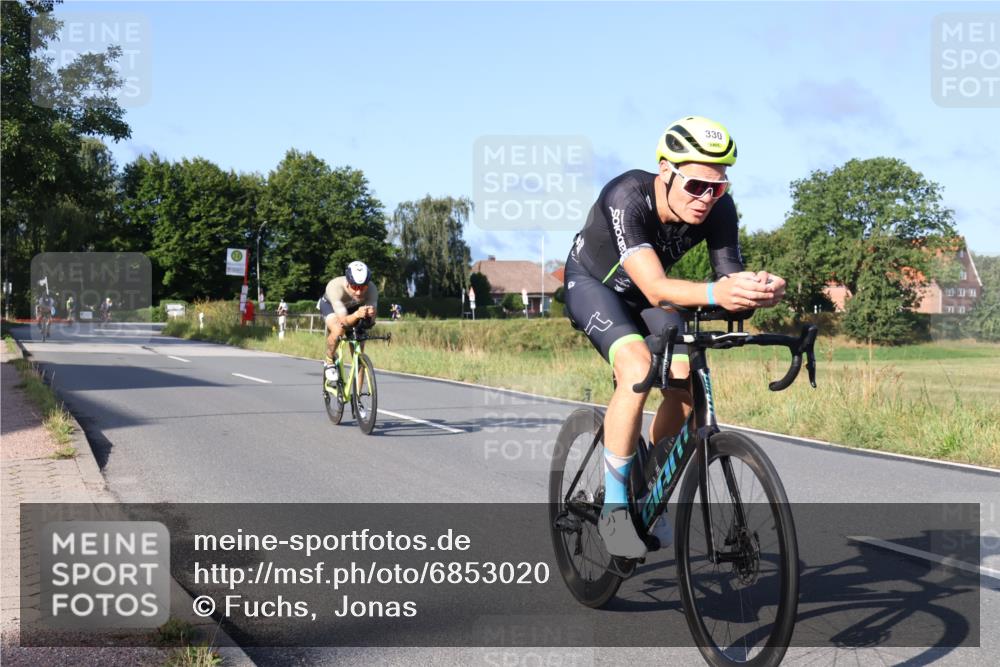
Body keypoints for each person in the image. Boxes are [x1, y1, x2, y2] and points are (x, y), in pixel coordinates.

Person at [563, 116, 787, 558]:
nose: (706, 199)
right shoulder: (627, 195)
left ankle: (650, 487)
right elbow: (656, 288)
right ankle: (614, 509)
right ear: (665, 170)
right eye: (696, 186)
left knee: (685, 384)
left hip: (650, 294)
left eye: (717, 188)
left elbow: (728, 281)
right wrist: (717, 293)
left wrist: (759, 292)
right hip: (595, 286)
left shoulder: (719, 209)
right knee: (637, 367)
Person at [319, 261, 379, 384]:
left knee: (359, 355)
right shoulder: (335, 288)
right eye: (355, 287)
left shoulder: (372, 289)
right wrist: (357, 315)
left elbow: (370, 323)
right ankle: (329, 360)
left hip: (354, 308)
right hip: (331, 306)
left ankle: (358, 395)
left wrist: (370, 316)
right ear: (347, 282)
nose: (358, 292)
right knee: (338, 330)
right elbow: (344, 322)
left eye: (362, 287)